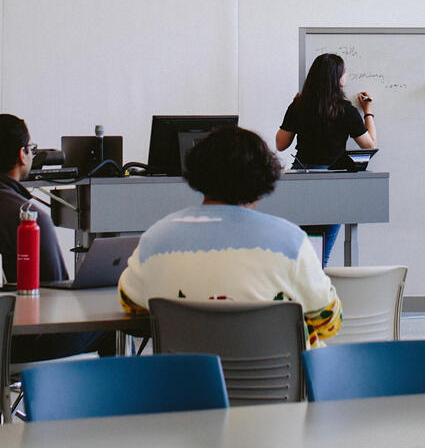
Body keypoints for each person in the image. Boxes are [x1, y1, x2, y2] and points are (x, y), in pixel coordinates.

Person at [118, 125, 342, 347]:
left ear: (196, 172)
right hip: (278, 381)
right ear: (265, 176)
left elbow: (131, 305)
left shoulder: (157, 239)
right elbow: (329, 323)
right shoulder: (291, 243)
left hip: (186, 381)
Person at [0, 113, 109, 362]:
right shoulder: (30, 218)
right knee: (109, 323)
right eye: (31, 148)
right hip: (23, 341)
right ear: (23, 154)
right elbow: (58, 290)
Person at [275, 52, 377, 265]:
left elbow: (280, 144)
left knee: (296, 253)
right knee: (322, 255)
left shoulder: (298, 105)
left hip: (300, 178)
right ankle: (317, 296)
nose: (346, 76)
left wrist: (292, 109)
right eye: (344, 72)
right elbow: (370, 146)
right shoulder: (346, 110)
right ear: (337, 78)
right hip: (332, 182)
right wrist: (368, 112)